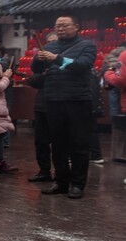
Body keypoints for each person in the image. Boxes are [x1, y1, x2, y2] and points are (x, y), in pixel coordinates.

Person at [33, 15, 98, 199]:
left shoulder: (87, 46)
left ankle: (77, 184)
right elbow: (36, 70)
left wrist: (57, 59)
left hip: (78, 100)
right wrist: (38, 59)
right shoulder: (50, 46)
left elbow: (82, 66)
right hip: (53, 100)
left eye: (64, 25)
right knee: (58, 144)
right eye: (57, 26)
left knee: (78, 144)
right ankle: (61, 182)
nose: (60, 29)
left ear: (76, 27)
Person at [27, 31, 59, 183]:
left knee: (60, 141)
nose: (51, 46)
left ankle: (61, 173)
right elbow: (34, 79)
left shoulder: (63, 58)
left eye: (55, 42)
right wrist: (43, 71)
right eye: (49, 43)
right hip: (42, 104)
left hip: (59, 104)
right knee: (41, 141)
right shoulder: (41, 58)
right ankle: (44, 170)